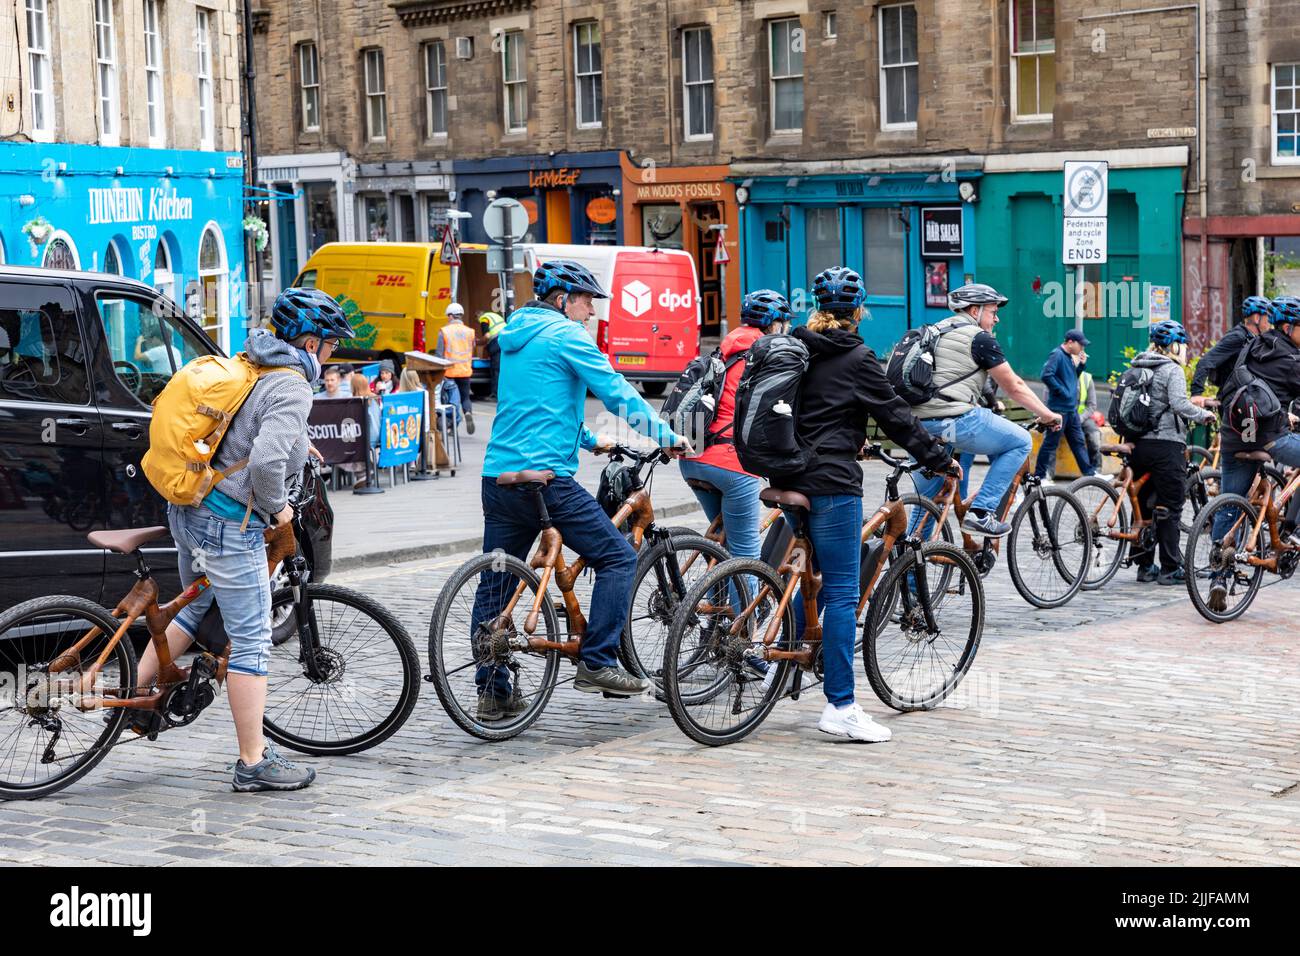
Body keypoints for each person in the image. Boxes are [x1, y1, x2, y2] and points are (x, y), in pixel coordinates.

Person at [132, 287, 354, 792]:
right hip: (230, 523)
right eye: (331, 344)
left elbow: (247, 430)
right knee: (253, 642)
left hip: (190, 508)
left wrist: (302, 444)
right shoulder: (293, 384)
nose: (333, 354)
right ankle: (253, 762)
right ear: (311, 341)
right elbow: (265, 461)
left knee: (191, 607)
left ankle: (137, 698)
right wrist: (279, 511)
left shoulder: (254, 361)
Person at [474, 259, 691, 718]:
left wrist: (590, 439)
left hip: (498, 477)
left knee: (495, 580)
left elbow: (533, 403)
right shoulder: (567, 335)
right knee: (617, 557)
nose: (591, 310)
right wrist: (667, 436)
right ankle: (597, 661)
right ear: (561, 300)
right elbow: (616, 392)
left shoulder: (515, 337)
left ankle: (492, 691)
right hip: (547, 483)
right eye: (586, 300)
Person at [770, 267, 958, 743]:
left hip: (787, 474)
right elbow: (895, 415)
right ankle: (841, 706)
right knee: (841, 592)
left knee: (809, 575)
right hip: (831, 482)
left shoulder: (797, 347)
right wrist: (938, 457)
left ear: (814, 308)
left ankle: (787, 655)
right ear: (858, 312)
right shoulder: (857, 356)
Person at [909, 283, 1063, 538]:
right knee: (1021, 441)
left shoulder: (934, 330)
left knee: (926, 503)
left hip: (918, 426)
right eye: (993, 311)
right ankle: (981, 513)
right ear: (975, 310)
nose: (996, 318)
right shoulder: (979, 338)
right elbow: (1014, 386)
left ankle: (908, 574)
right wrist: (1048, 414)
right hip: (954, 420)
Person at [679, 290, 792, 564]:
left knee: (723, 543)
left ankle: (712, 601)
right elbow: (780, 410)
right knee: (745, 552)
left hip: (693, 458)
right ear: (775, 324)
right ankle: (745, 608)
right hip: (731, 464)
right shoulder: (768, 357)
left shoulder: (725, 351)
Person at [1209, 296, 1300, 609]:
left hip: (1234, 435)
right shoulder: (1292, 359)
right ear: (1289, 327)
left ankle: (1218, 577)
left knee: (1228, 506)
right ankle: (1292, 531)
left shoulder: (1252, 344)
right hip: (1269, 438)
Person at [1125, 320, 1216, 585]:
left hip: (1138, 444)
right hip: (1166, 446)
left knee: (1142, 504)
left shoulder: (1137, 365)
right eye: (1184, 345)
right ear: (1174, 345)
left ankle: (1144, 567)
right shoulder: (1171, 369)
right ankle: (1169, 568)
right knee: (1171, 505)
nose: (1185, 350)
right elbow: (1179, 404)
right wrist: (1204, 415)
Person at [1034, 330, 1097, 480]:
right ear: (1070, 342)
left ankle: (1089, 474)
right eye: (1080, 344)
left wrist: (1081, 366)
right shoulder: (1057, 355)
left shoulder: (1068, 357)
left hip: (1071, 410)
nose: (1082, 348)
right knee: (1050, 444)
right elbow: (1046, 374)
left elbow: (1071, 377)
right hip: (1059, 409)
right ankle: (1040, 477)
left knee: (1078, 442)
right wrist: (1062, 392)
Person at [1190, 295, 1274, 406]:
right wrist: (1196, 393)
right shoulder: (1238, 337)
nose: (1270, 322)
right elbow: (1206, 361)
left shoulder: (1252, 338)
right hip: (1231, 402)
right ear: (1257, 318)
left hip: (1244, 398)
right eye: (1267, 317)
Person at [436, 302, 476, 433]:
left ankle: (452, 425)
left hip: (449, 372)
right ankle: (468, 412)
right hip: (465, 371)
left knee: (450, 400)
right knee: (465, 397)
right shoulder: (470, 332)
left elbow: (439, 353)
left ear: (451, 316)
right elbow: (473, 347)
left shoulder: (444, 331)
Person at [1078, 365, 1103, 468]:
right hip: (1062, 417)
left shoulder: (1086, 378)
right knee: (1050, 440)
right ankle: (1046, 475)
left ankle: (1096, 470)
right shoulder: (1057, 376)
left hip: (1082, 418)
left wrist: (1081, 418)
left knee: (1094, 434)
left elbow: (1092, 405)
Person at [479, 310, 506, 399]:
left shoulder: (484, 319)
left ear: (478, 316)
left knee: (495, 369)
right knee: (503, 368)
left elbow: (487, 336)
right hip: (506, 340)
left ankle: (495, 394)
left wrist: (479, 342)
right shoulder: (495, 316)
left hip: (497, 342)